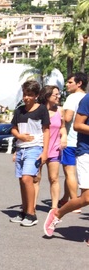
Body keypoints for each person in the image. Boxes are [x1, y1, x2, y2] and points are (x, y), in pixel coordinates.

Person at [44, 93, 89, 241]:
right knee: (87, 197)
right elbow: (77, 125)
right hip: (86, 151)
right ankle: (57, 213)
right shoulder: (87, 99)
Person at [9, 80, 50, 227]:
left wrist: (45, 152)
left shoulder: (42, 110)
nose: (26, 98)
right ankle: (24, 210)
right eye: (25, 94)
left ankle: (32, 214)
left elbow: (46, 130)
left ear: (37, 95)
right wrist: (19, 137)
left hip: (35, 148)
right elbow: (13, 128)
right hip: (21, 148)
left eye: (30, 95)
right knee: (22, 180)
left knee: (28, 179)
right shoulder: (19, 110)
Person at [33, 86, 65, 209]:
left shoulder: (60, 110)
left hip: (54, 148)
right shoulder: (39, 110)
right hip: (38, 148)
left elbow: (62, 127)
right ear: (47, 96)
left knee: (54, 178)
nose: (58, 97)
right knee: (36, 178)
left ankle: (54, 208)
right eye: (55, 95)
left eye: (59, 94)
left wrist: (64, 138)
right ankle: (32, 206)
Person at [59, 72, 87, 213]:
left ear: (79, 83)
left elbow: (68, 117)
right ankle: (65, 197)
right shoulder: (85, 97)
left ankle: (75, 202)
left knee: (69, 172)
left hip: (71, 140)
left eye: (70, 82)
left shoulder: (72, 97)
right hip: (84, 141)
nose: (67, 85)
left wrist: (60, 112)